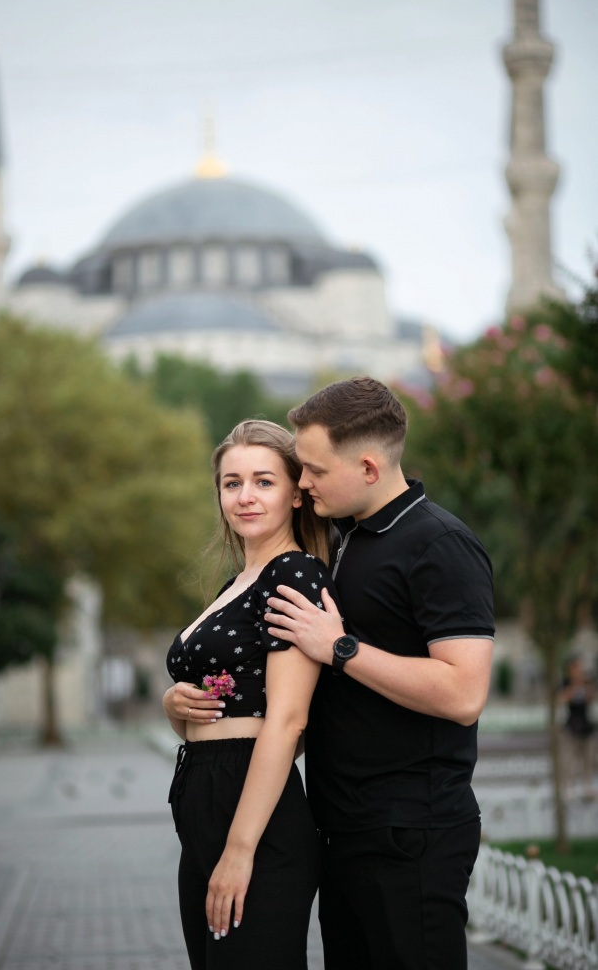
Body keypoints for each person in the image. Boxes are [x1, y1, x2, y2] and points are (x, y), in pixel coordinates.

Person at [265, 376, 495, 970]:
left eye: (314, 469)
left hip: (410, 834)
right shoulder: (341, 538)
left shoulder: (440, 544)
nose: (302, 481)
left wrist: (340, 647)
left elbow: (464, 693)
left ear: (369, 467)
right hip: (342, 829)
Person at [163, 419, 339, 970]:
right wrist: (173, 706)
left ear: (295, 494)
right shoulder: (238, 581)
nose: (245, 496)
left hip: (253, 811)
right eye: (232, 483)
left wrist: (240, 851)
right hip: (204, 797)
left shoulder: (295, 574)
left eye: (264, 481)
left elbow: (287, 722)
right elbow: (218, 710)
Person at [559, 656, 596, 799]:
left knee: (589, 759)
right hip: (571, 726)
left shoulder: (587, 682)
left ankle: (588, 786)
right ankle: (570, 787)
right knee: (569, 760)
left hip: (586, 726)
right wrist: (574, 685)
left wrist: (584, 685)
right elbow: (562, 698)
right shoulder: (566, 682)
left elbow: (592, 697)